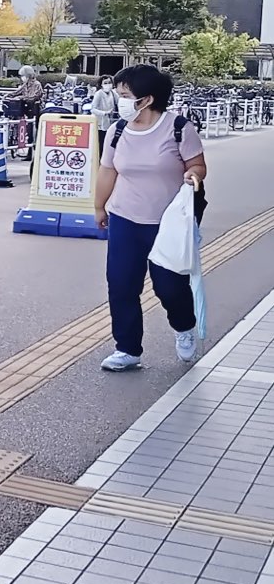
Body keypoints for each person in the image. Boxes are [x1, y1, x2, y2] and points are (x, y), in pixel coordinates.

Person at [94, 65, 206, 372]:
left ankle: (184, 327)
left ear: (147, 99)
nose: (120, 101)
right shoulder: (118, 130)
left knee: (169, 286)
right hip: (125, 218)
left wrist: (192, 176)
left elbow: (197, 165)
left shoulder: (178, 128)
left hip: (167, 222)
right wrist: (99, 206)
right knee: (121, 285)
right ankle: (127, 349)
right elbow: (108, 170)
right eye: (119, 94)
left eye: (126, 95)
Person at [91, 76, 118, 158]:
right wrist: (104, 113)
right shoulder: (98, 94)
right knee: (101, 143)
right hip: (100, 123)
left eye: (109, 83)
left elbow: (119, 102)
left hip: (110, 122)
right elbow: (93, 109)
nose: (108, 85)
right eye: (105, 83)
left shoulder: (113, 93)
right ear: (101, 85)